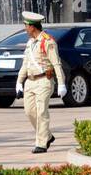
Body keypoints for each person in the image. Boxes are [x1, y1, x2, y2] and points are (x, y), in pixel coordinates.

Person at [14, 10, 66, 153]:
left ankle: (41, 143)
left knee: (42, 112)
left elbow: (56, 63)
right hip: (30, 82)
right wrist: (19, 82)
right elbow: (25, 63)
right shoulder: (30, 43)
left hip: (44, 80)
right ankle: (47, 135)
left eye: (26, 25)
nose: (25, 28)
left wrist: (61, 83)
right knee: (30, 112)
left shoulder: (48, 42)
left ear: (32, 26)